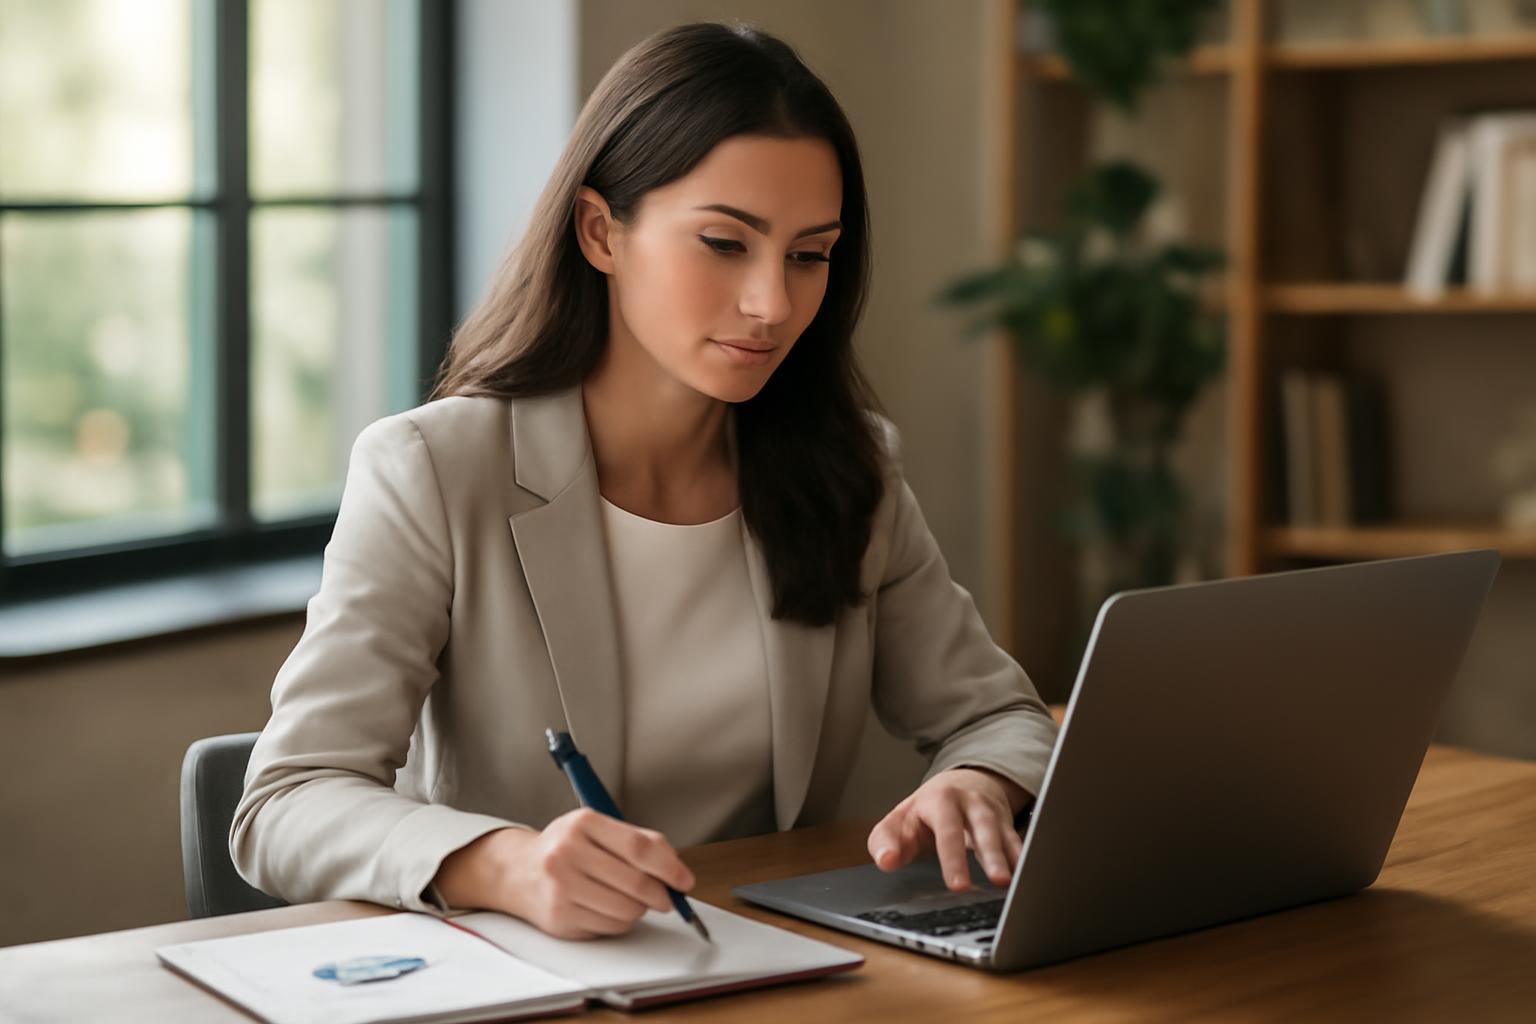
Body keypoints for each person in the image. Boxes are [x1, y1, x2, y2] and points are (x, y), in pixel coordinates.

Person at [231, 20, 1059, 942]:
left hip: (768, 967)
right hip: (527, 974)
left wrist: (976, 781)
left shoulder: (847, 470)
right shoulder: (433, 470)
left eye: (809, 254)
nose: (772, 304)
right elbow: (286, 800)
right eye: (722, 242)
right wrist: (504, 863)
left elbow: (1000, 715)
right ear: (600, 232)